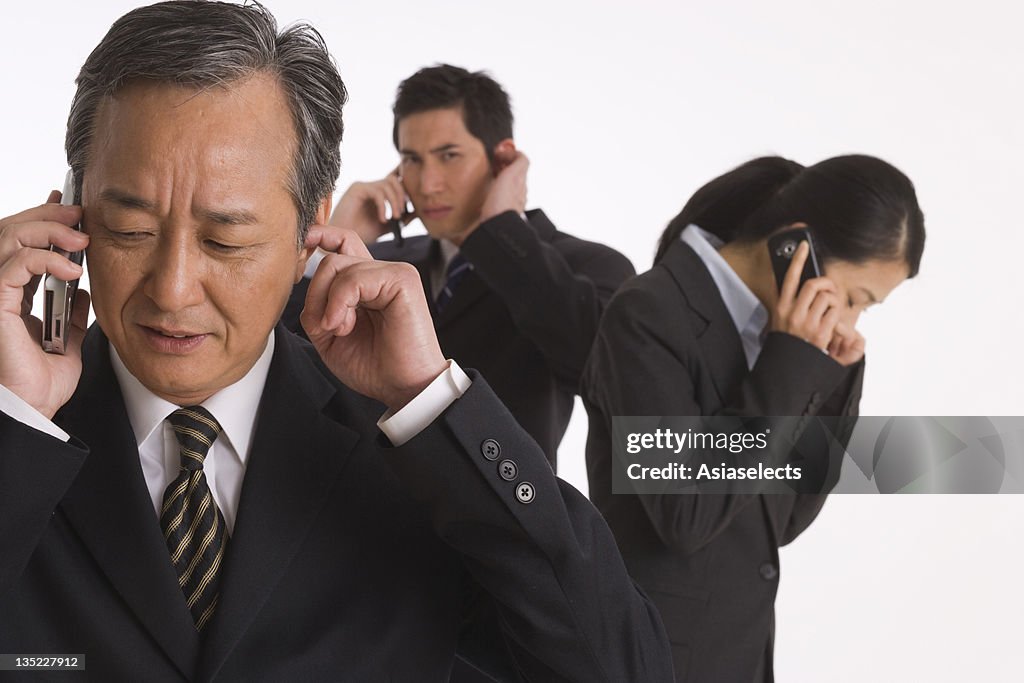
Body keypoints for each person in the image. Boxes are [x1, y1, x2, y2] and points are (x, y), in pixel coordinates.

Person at [0, 3, 675, 680]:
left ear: (309, 229)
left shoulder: (419, 455)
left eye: (225, 239)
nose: (173, 289)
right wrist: (15, 424)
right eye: (130, 230)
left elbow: (623, 668)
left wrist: (429, 400)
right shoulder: (19, 438)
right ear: (72, 208)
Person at [581, 155, 926, 682]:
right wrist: (790, 363)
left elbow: (783, 522)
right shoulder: (648, 312)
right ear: (797, 249)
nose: (851, 319)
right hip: (650, 660)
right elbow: (685, 514)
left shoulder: (779, 339)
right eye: (855, 299)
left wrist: (832, 374)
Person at [282, 64, 635, 468]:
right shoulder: (378, 262)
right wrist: (327, 250)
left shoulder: (585, 265)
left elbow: (612, 382)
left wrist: (503, 228)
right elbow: (281, 364)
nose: (428, 184)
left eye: (449, 156)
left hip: (500, 511)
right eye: (412, 160)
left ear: (503, 160)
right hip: (351, 513)